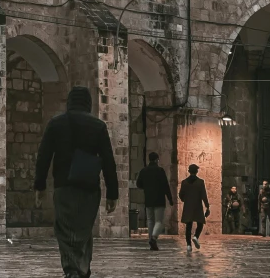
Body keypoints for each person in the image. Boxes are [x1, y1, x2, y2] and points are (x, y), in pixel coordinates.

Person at [34, 86, 118, 278]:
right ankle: (82, 269)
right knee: (84, 229)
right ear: (88, 103)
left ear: (69, 102)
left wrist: (39, 186)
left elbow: (44, 156)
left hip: (64, 186)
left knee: (65, 230)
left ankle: (73, 270)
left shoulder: (56, 124)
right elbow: (108, 161)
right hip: (89, 187)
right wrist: (112, 193)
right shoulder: (98, 126)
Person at [136, 152, 173, 251]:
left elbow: (138, 184)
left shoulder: (144, 171)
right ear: (157, 159)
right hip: (159, 199)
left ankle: (151, 240)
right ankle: (154, 238)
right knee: (159, 221)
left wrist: (147, 188)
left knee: (150, 220)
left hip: (148, 198)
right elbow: (166, 186)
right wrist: (170, 199)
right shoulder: (160, 171)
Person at [179, 164, 210, 253]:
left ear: (189, 171)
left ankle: (188, 245)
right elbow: (204, 195)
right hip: (197, 205)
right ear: (197, 171)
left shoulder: (184, 182)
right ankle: (196, 236)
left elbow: (181, 194)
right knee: (200, 223)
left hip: (188, 205)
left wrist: (185, 200)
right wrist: (207, 206)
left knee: (188, 226)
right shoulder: (200, 182)